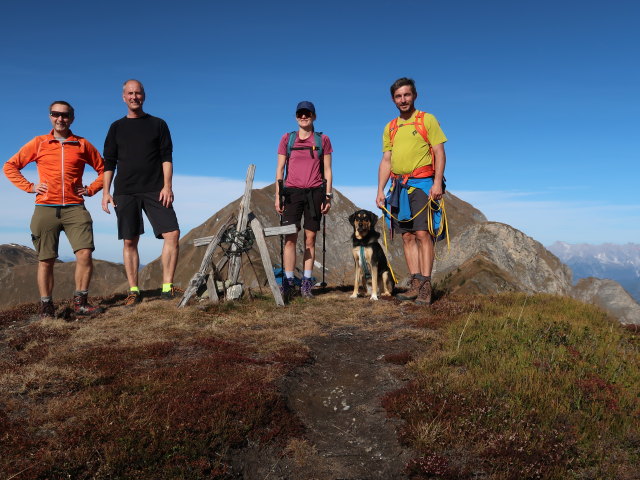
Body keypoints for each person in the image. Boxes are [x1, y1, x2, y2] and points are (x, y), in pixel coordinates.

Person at [3, 101, 105, 318]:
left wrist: (91, 190)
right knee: (45, 259)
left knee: (85, 253)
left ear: (72, 118)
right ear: (50, 116)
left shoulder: (82, 144)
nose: (60, 119)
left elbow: (103, 169)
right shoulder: (39, 143)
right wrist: (29, 187)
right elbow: (10, 166)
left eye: (65, 115)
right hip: (45, 207)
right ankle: (46, 307)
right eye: (55, 114)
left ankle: (81, 303)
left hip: (75, 207)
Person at [102, 79, 180, 306]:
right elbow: (109, 162)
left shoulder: (158, 124)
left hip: (156, 189)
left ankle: (167, 286)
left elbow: (167, 157)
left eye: (138, 93)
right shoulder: (116, 127)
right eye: (130, 93)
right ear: (123, 97)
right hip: (125, 191)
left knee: (172, 234)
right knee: (130, 241)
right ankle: (134, 290)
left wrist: (167, 186)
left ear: (144, 96)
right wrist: (106, 192)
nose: (134, 97)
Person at [376, 78, 447, 305]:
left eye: (407, 95)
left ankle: (426, 286)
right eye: (398, 96)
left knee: (423, 234)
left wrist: (437, 183)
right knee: (406, 236)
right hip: (398, 187)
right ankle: (415, 283)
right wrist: (380, 190)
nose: (403, 99)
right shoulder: (391, 127)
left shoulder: (427, 119)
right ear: (393, 99)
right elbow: (386, 160)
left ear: (414, 95)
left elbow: (439, 151)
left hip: (423, 184)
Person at [275, 101, 333, 299]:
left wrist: (328, 195)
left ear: (314, 116)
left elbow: (328, 170)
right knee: (290, 238)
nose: (303, 116)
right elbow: (279, 169)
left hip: (315, 192)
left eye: (307, 113)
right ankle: (289, 282)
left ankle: (306, 283)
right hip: (291, 193)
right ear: (296, 116)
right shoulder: (287, 139)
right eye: (300, 113)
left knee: (310, 239)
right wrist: (278, 195)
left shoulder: (323, 139)